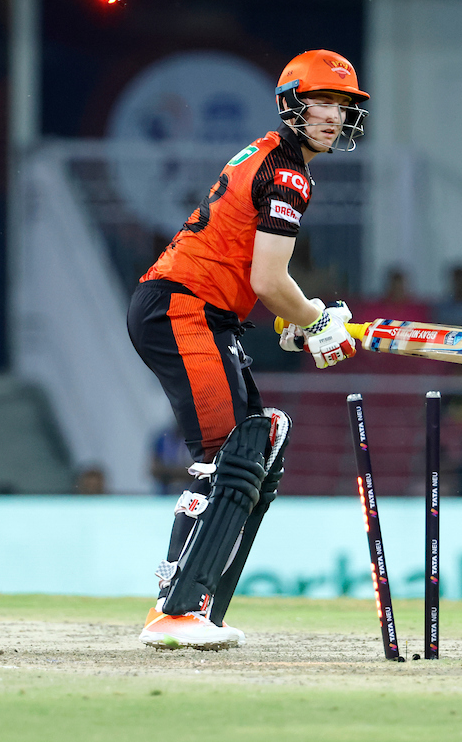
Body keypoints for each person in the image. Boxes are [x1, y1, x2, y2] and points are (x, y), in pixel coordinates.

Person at [127, 49, 369, 650]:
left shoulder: (269, 155)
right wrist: (314, 318)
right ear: (293, 104)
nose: (334, 116)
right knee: (232, 450)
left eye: (343, 105)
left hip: (200, 311)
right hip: (183, 308)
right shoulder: (287, 172)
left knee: (262, 439)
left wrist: (300, 318)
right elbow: (268, 280)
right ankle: (175, 612)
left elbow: (254, 274)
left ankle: (201, 609)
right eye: (323, 102)